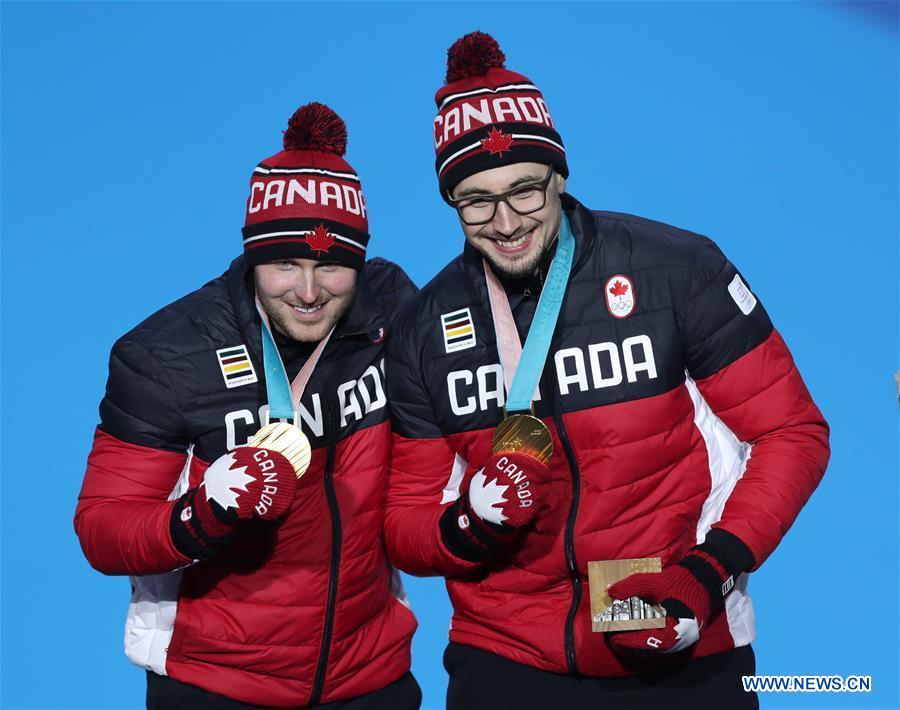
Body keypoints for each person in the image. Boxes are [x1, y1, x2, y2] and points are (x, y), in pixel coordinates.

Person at [384, 32, 829, 709]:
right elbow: (406, 524)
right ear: (451, 200)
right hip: (505, 656)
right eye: (476, 200)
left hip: (680, 630)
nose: (506, 222)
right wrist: (469, 525)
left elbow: (792, 433)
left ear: (559, 175)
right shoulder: (426, 327)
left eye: (525, 190)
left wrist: (708, 572)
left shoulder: (677, 271)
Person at [74, 103, 420, 709]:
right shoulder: (167, 355)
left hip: (370, 677)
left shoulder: (390, 308)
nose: (308, 292)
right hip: (217, 685)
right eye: (285, 264)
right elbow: (102, 527)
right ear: (254, 258)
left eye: (331, 265)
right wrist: (202, 514)